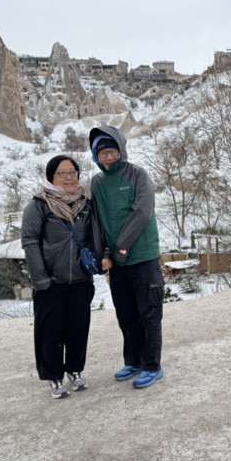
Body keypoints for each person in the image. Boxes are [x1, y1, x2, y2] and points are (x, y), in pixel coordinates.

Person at [21, 155, 105, 399]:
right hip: (51, 281)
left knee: (78, 329)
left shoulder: (86, 204)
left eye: (73, 172)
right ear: (51, 178)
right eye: (62, 173)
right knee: (51, 331)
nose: (69, 177)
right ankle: (54, 375)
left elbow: (96, 236)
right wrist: (41, 278)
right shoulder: (39, 205)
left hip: (80, 280)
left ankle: (75, 370)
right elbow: (30, 241)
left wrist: (99, 262)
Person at [89, 126, 164, 389]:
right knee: (126, 314)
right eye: (102, 153)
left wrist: (120, 246)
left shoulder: (137, 175)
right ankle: (133, 361)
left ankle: (152, 365)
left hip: (142, 256)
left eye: (111, 151)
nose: (108, 157)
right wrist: (106, 253)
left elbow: (142, 212)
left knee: (149, 313)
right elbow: (100, 221)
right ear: (94, 156)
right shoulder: (96, 183)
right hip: (117, 263)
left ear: (121, 149)